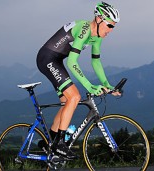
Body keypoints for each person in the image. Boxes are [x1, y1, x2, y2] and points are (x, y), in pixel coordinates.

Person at [36, 2, 121, 159]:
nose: (111, 30)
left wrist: (107, 84)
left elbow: (96, 62)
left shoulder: (98, 37)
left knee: (66, 102)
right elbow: (72, 62)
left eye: (113, 27)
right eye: (110, 25)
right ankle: (59, 144)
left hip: (57, 61)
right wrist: (89, 86)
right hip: (47, 58)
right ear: (99, 19)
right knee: (74, 97)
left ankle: (50, 143)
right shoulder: (84, 29)